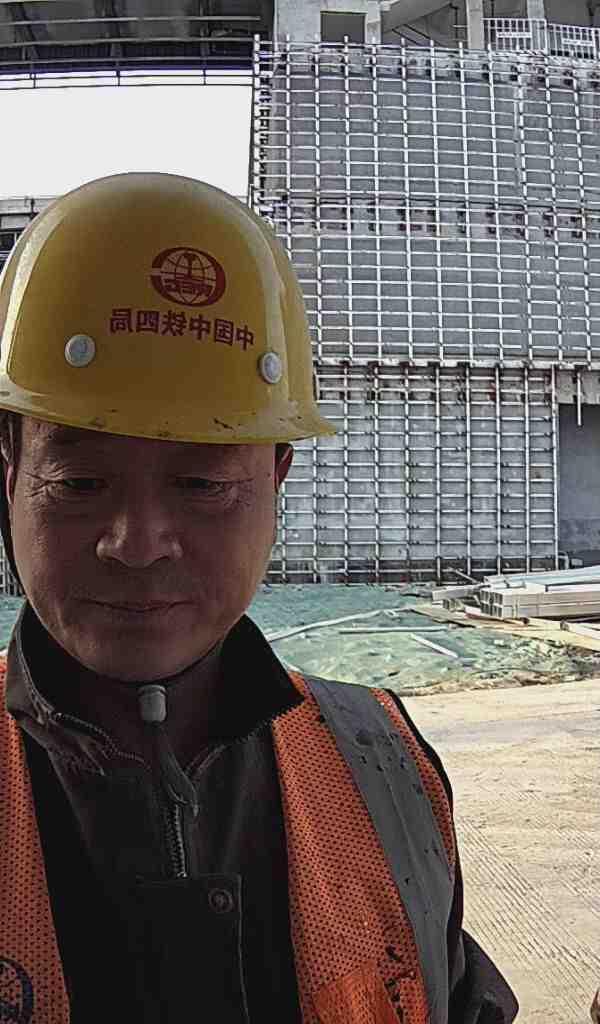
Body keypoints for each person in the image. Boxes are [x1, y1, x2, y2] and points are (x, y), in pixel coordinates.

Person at [0, 173, 518, 1024]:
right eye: (80, 481)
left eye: (202, 484)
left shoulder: (384, 766)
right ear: (11, 473)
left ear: (276, 478)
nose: (137, 542)